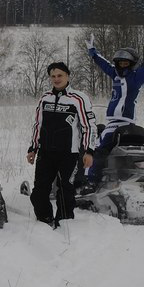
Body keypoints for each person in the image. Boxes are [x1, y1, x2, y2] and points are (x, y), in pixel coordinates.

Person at [84, 36, 144, 186]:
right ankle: (102, 177)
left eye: (126, 63)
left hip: (122, 122)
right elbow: (104, 64)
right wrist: (92, 52)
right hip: (112, 122)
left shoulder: (135, 78)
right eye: (120, 63)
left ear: (131, 64)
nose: (122, 66)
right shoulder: (115, 75)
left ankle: (90, 182)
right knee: (101, 144)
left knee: (98, 150)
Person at [26, 62, 95, 227]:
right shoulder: (45, 98)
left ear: (67, 76)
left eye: (60, 75)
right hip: (46, 152)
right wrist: (33, 148)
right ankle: (45, 222)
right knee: (39, 192)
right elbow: (38, 125)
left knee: (65, 190)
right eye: (53, 76)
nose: (56, 79)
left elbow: (89, 126)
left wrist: (89, 151)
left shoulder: (79, 98)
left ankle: (64, 224)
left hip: (69, 153)